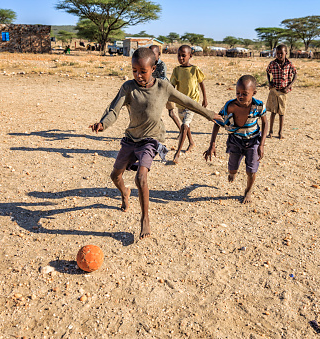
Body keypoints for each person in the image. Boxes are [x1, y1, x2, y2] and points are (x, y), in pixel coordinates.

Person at [89, 48, 221, 240]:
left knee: (141, 178)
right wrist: (103, 124)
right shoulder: (128, 88)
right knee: (115, 175)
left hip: (151, 139)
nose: (138, 75)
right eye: (134, 70)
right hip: (131, 138)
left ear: (153, 68)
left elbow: (187, 101)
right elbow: (113, 109)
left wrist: (209, 115)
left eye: (143, 71)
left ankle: (145, 218)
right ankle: (125, 192)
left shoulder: (163, 87)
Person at [203, 75, 268, 204]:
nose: (240, 96)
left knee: (251, 170)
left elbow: (265, 123)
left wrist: (262, 144)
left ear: (253, 93)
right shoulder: (230, 106)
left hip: (253, 141)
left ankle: (248, 191)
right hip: (235, 140)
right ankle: (233, 173)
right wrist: (212, 144)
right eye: (238, 93)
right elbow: (217, 121)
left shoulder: (259, 106)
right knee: (232, 168)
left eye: (245, 93)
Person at [169, 45, 208, 163]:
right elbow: (172, 85)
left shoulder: (194, 69)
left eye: (183, 55)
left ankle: (177, 153)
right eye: (179, 55)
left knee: (184, 125)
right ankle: (191, 142)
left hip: (192, 102)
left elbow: (201, 83)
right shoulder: (176, 70)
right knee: (186, 123)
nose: (181, 58)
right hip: (181, 102)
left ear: (190, 56)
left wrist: (205, 98)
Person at [266, 44, 297, 139]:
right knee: (273, 112)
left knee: (282, 113)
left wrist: (289, 86)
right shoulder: (272, 63)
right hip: (274, 90)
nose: (279, 55)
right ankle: (270, 132)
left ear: (286, 53)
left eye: (281, 53)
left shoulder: (289, 64)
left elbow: (295, 74)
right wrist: (269, 82)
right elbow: (267, 71)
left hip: (283, 92)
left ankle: (280, 133)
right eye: (277, 53)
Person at [149, 45, 181, 131]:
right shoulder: (149, 64)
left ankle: (182, 131)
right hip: (155, 91)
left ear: (159, 54)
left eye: (153, 54)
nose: (151, 56)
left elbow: (162, 78)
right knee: (154, 113)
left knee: (171, 113)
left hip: (166, 90)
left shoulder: (162, 64)